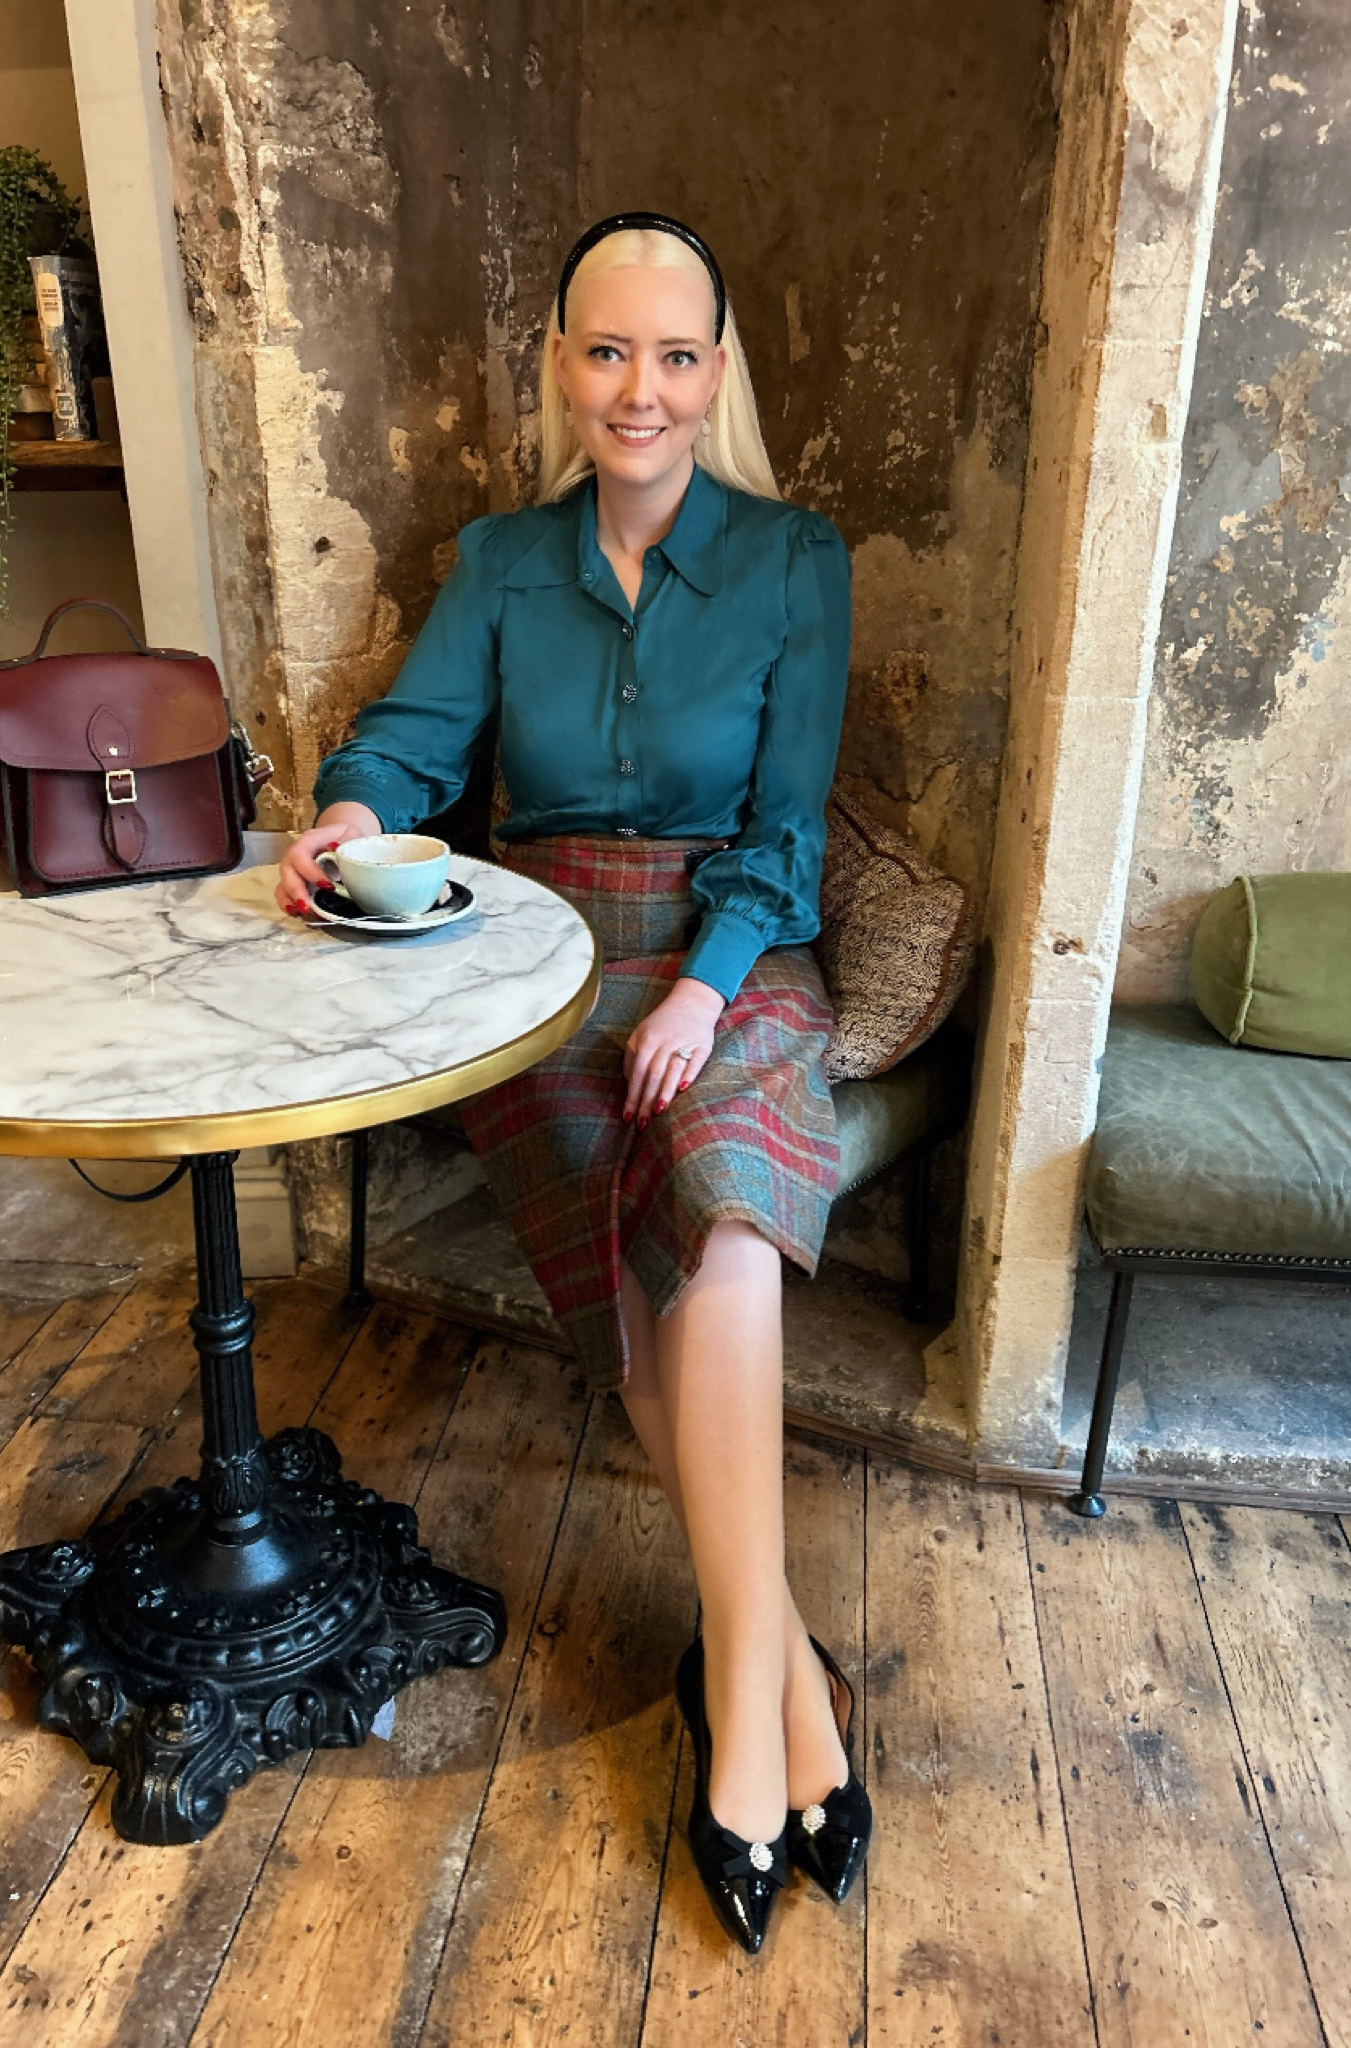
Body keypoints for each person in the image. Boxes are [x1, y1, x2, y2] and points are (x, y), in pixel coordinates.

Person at [276, 213, 870, 1954]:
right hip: (531, 957)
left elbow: (786, 829)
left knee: (729, 1222)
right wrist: (353, 811)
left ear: (716, 374)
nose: (641, 388)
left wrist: (702, 986)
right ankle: (785, 1690)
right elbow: (410, 741)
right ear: (560, 363)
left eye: (676, 356)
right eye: (608, 351)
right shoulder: (498, 559)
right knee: (631, 1253)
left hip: (732, 947)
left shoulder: (795, 559)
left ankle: (747, 1723)